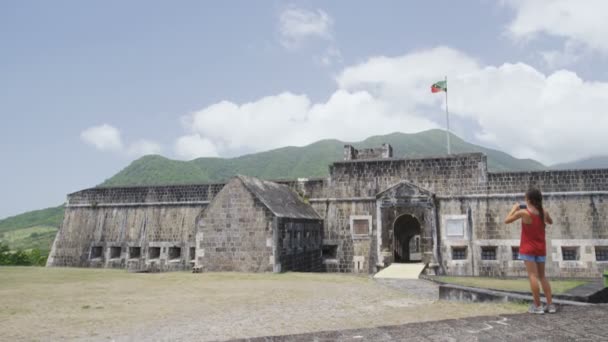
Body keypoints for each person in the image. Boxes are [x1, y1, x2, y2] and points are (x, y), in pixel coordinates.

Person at [504, 188, 556, 314]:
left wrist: (514, 208)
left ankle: (537, 306)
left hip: (528, 249)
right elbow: (550, 222)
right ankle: (550, 305)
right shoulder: (543, 211)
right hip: (540, 248)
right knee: (542, 276)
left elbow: (507, 220)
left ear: (528, 200)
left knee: (532, 276)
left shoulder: (524, 213)